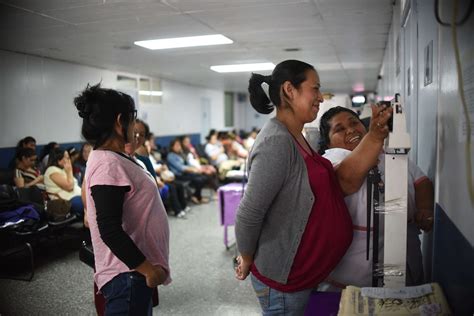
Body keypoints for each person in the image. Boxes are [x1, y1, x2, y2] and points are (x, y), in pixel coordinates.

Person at [234, 59, 392, 314]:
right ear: (289, 90)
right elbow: (249, 212)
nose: (320, 97)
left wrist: (374, 135)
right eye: (315, 88)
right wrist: (247, 256)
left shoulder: (297, 135)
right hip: (285, 283)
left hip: (305, 274)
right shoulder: (276, 142)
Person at [74, 83, 169, 315]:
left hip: (132, 272)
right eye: (132, 117)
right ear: (120, 121)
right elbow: (109, 228)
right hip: (127, 275)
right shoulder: (107, 163)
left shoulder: (115, 157)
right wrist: (147, 269)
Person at [317, 106, 434, 289]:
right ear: (328, 143)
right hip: (352, 274)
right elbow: (347, 180)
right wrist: (375, 137)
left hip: (402, 260)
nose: (351, 130)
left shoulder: (388, 154)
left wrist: (425, 209)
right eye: (339, 129)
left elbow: (421, 181)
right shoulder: (331, 161)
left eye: (354, 123)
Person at [43, 148, 84, 217]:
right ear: (59, 161)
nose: (69, 160)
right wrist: (69, 171)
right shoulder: (51, 170)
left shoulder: (61, 170)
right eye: (67, 158)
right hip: (65, 202)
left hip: (76, 197)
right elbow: (69, 187)